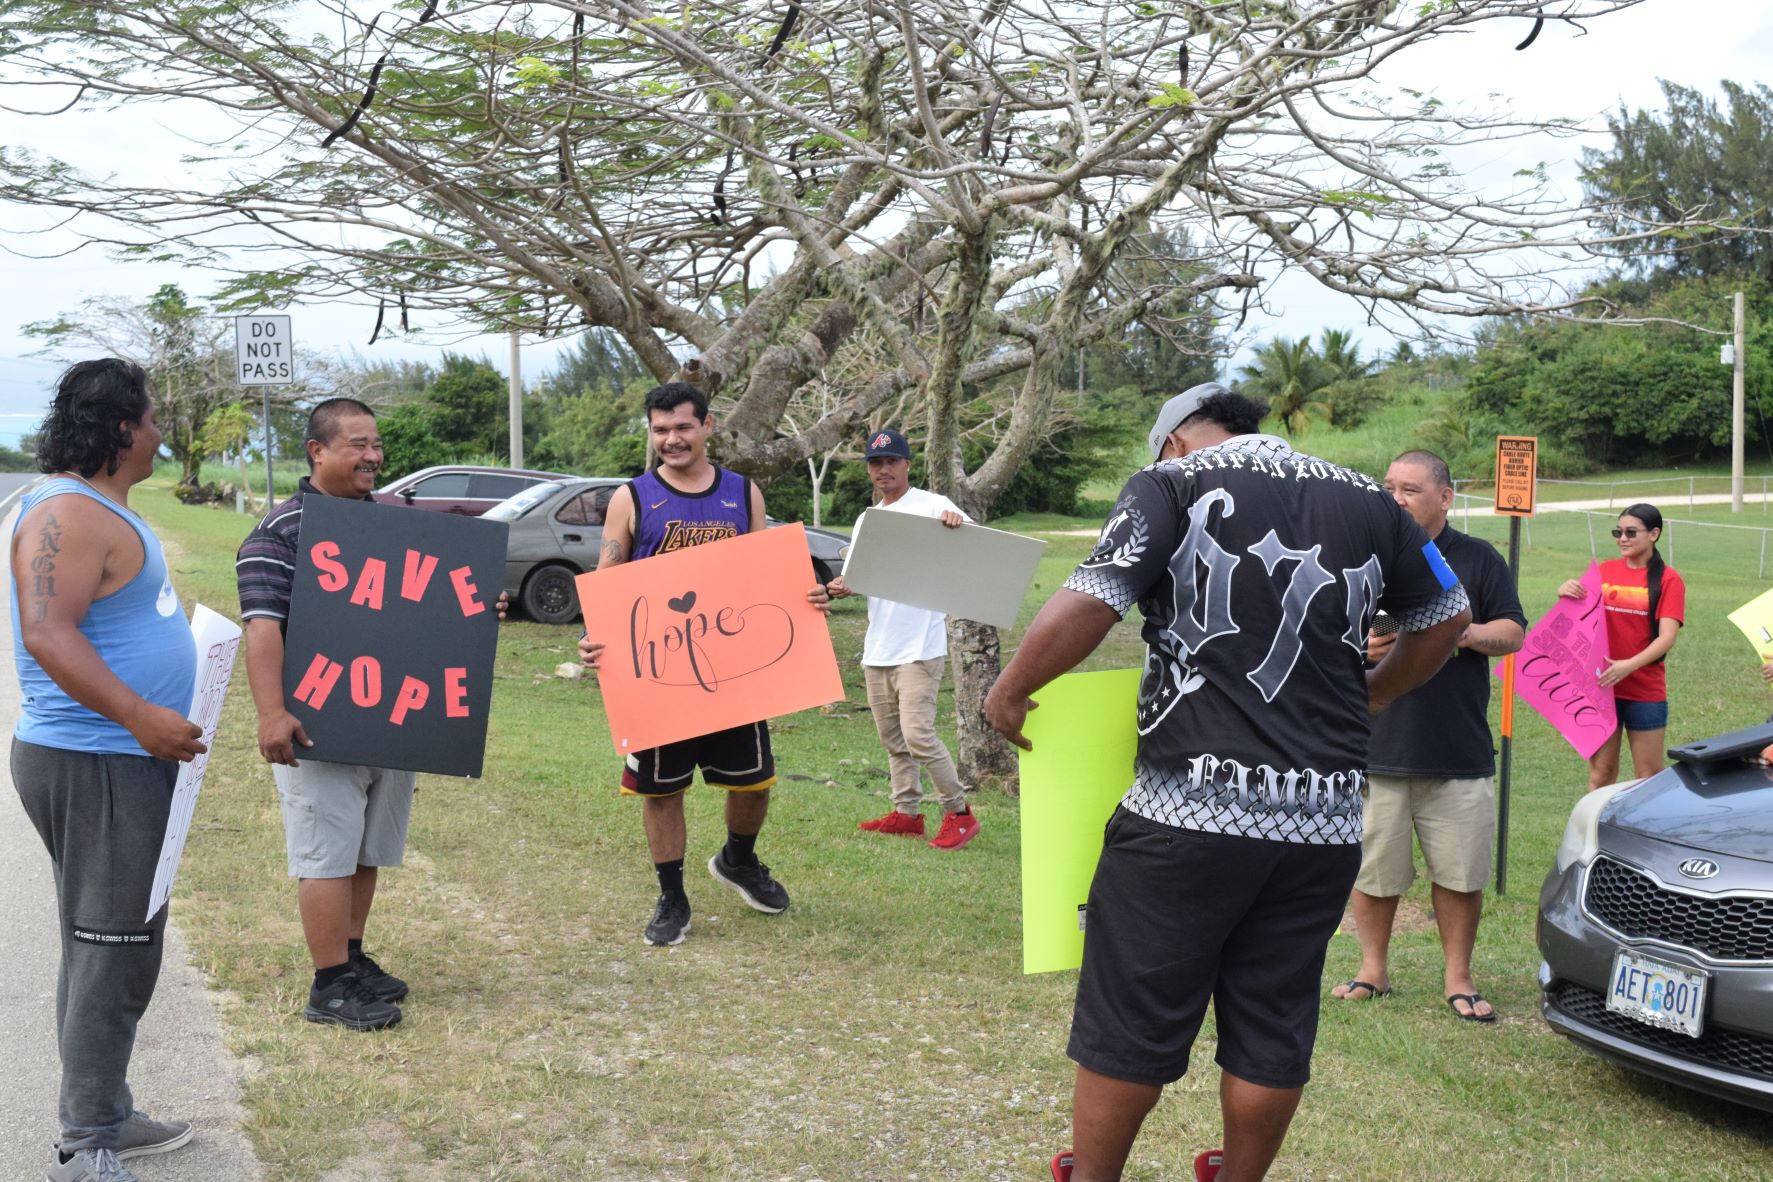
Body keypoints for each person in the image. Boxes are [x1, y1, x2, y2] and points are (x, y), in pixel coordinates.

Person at [985, 382, 1471, 1182]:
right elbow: (1446, 614)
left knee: (1132, 1017)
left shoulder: (1169, 484)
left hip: (1186, 814)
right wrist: (1375, 692)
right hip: (1321, 823)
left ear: (1176, 439)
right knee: (1273, 1022)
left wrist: (1009, 690)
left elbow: (1094, 596)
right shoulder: (1368, 500)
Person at [236, 398, 510, 1031]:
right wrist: (271, 713)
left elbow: (430, 608)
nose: (373, 456)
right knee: (325, 852)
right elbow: (263, 629)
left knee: (365, 847)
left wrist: (475, 608)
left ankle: (352, 957)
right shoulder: (280, 533)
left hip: (391, 722)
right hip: (318, 724)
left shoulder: (397, 529)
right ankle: (328, 986)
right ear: (318, 452)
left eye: (376, 444)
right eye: (357, 444)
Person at [12, 359, 206, 1182]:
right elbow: (47, 632)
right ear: (121, 426)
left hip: (113, 760)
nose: (163, 432)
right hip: (98, 760)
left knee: (105, 941)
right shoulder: (68, 511)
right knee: (112, 947)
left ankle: (107, 1112)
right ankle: (85, 1141)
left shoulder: (93, 507)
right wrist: (140, 715)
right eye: (154, 417)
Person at [579, 382, 830, 947]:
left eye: (683, 427)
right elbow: (606, 581)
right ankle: (672, 896)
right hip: (658, 673)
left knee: (755, 784)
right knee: (662, 791)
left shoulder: (743, 493)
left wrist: (806, 595)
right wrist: (592, 637)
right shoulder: (633, 498)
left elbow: (766, 575)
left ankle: (739, 859)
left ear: (707, 427)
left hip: (732, 670)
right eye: (661, 429)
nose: (672, 439)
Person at [1329, 451, 1525, 1024]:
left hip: (1455, 750)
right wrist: (1361, 647)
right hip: (1374, 745)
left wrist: (1447, 633)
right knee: (1374, 869)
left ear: (1445, 498)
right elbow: (1324, 630)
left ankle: (1458, 978)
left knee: (1460, 873)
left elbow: (1511, 632)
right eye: (1389, 487)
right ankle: (1372, 970)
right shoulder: (1363, 559)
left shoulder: (1476, 559)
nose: (1396, 498)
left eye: (1411, 489)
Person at [826, 427, 978, 850]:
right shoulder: (867, 519)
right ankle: (906, 813)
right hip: (879, 645)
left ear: (907, 464)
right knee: (892, 739)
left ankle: (959, 813)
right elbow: (865, 575)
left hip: (920, 646)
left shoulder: (933, 505)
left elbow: (976, 548)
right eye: (876, 463)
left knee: (918, 735)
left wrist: (957, 524)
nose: (883, 469)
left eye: (892, 461)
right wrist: (845, 585)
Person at [1556, 502, 1684, 790]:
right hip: (1600, 689)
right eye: (1618, 532)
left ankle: (1644, 834)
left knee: (1648, 776)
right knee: (1601, 773)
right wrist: (1564, 591)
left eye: (1630, 532)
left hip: (1644, 691)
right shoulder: (1604, 572)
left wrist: (1628, 666)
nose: (1622, 539)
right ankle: (1595, 832)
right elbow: (1576, 619)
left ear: (1654, 534)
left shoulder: (1669, 579)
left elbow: (1667, 637)